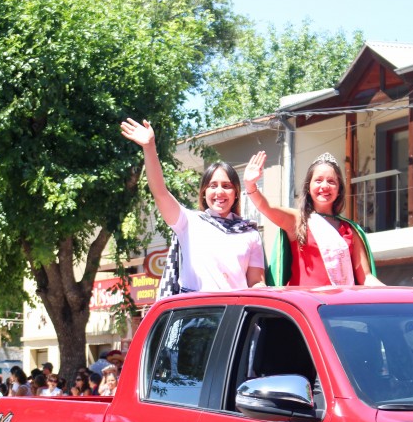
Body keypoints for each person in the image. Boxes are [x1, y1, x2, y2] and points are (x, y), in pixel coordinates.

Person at [121, 118, 265, 297]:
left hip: (234, 318)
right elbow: (160, 193)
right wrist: (149, 147)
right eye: (213, 186)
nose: (219, 192)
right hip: (195, 317)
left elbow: (256, 283)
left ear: (236, 194)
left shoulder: (249, 233)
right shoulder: (189, 222)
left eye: (226, 186)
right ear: (204, 193)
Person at [243, 151, 383, 287]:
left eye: (331, 181)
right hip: (306, 306)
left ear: (339, 189)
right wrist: (250, 185)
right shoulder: (298, 220)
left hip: (341, 306)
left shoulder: (350, 230)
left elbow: (366, 278)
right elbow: (265, 207)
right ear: (308, 187)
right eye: (318, 180)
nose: (325, 186)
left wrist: (398, 294)